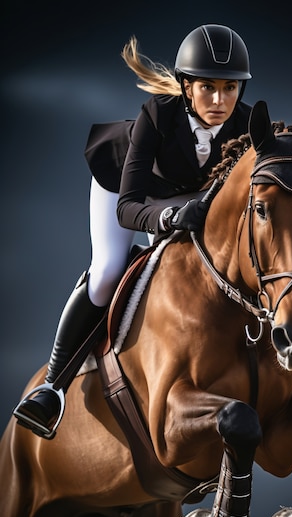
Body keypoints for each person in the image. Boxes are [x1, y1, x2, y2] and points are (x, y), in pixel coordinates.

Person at [13, 24, 253, 439]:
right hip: (123, 188)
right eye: (208, 87)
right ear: (186, 86)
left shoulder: (247, 127)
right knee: (108, 272)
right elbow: (128, 207)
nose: (219, 100)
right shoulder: (156, 115)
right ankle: (52, 387)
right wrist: (168, 218)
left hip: (187, 197)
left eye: (230, 88)